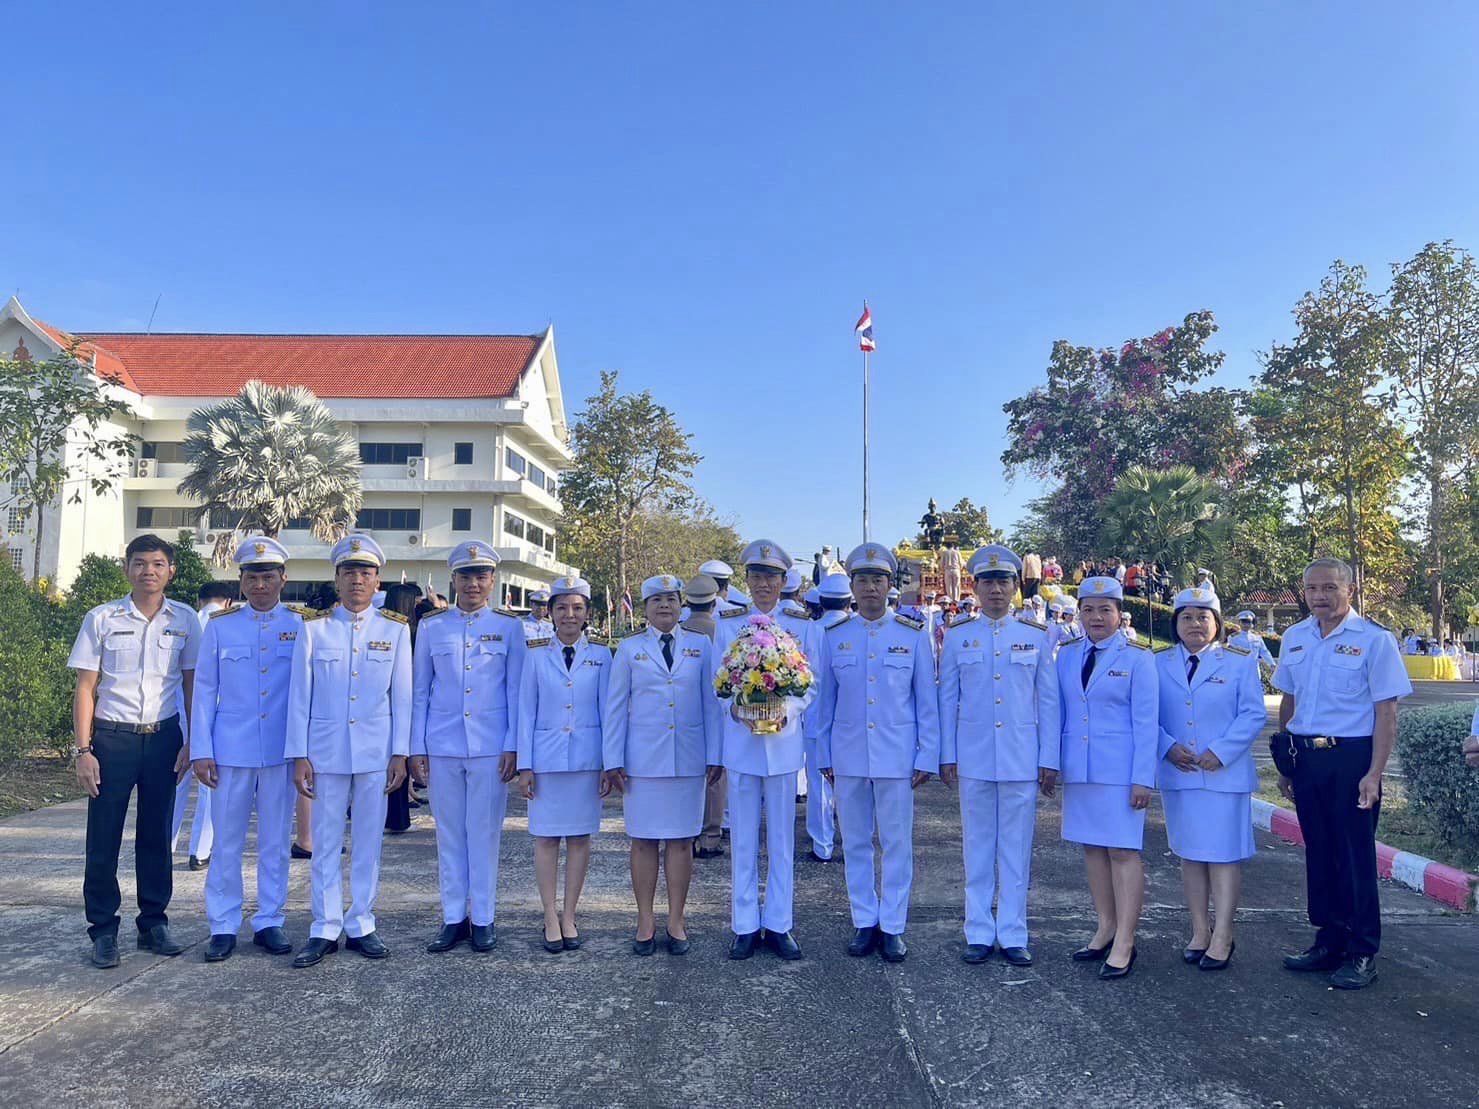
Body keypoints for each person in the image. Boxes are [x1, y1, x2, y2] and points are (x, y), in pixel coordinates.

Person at [1271, 557, 1412, 989]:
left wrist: (1375, 773)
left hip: (1352, 759)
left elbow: (1385, 713)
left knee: (1354, 856)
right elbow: (1288, 702)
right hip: (1308, 760)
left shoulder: (1374, 640)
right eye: (1312, 589)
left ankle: (1362, 950)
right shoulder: (1295, 638)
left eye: (1330, 588)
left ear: (1349, 589)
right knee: (1320, 852)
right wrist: (1287, 762)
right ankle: (1328, 940)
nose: (1320, 596)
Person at [69, 534, 201, 969]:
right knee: (103, 839)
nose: (149, 571)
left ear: (171, 570)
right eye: (141, 563)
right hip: (111, 740)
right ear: (126, 568)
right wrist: (82, 750)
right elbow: (86, 689)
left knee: (156, 835)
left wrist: (191, 741)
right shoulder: (102, 618)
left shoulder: (184, 621)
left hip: (163, 739)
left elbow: (191, 686)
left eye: (158, 564)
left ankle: (153, 924)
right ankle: (104, 931)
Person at [286, 535, 412, 968]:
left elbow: (403, 698)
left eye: (366, 572)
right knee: (323, 842)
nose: (358, 580)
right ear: (336, 579)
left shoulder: (395, 630)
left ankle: (361, 921)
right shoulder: (314, 629)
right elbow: (299, 697)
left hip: (376, 753)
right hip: (324, 752)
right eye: (349, 572)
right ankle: (324, 926)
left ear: (378, 581)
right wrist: (298, 754)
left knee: (368, 841)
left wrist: (401, 753)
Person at [813, 543, 937, 963]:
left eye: (877, 580)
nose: (870, 587)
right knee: (857, 841)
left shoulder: (912, 635)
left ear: (890, 585)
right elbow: (824, 703)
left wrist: (926, 755)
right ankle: (864, 919)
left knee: (897, 842)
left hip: (897, 754)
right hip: (847, 753)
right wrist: (823, 753)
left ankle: (893, 925)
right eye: (862, 580)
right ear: (851, 586)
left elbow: (926, 702)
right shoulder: (835, 636)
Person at [937, 544, 1058, 966]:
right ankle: (977, 931)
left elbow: (1048, 702)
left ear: (1015, 588)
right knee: (977, 847)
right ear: (975, 586)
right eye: (987, 582)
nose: (995, 590)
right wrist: (946, 755)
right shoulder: (957, 636)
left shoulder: (1035, 636)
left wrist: (1049, 759)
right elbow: (946, 700)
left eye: (1003, 582)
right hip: (973, 757)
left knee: (1016, 849)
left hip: (1021, 758)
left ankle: (1012, 932)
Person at [188, 538, 304, 963]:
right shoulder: (221, 627)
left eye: (268, 576)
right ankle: (222, 924)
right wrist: (201, 749)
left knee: (275, 841)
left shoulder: (301, 624)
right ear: (241, 580)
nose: (260, 584)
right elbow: (204, 692)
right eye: (252, 577)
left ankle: (269, 920)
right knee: (227, 842)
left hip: (280, 751)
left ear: (282, 579)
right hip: (230, 750)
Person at [407, 541, 524, 955]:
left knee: (485, 833)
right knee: (450, 834)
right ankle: (454, 916)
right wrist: (415, 747)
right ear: (452, 580)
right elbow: (421, 690)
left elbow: (516, 692)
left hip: (492, 746)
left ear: (493, 581)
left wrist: (514, 745)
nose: (473, 584)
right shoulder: (434, 626)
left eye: (481, 576)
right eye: (465, 576)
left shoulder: (511, 628)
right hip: (443, 743)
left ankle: (485, 918)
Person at [603, 574, 721, 956]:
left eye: (671, 600)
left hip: (687, 758)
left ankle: (676, 919)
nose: (665, 607)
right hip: (642, 761)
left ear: (681, 604)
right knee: (643, 842)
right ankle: (644, 919)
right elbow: (615, 708)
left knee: (681, 842)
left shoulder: (700, 646)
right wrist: (612, 760)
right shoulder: (629, 649)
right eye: (657, 601)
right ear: (646, 608)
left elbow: (711, 704)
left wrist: (715, 754)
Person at [711, 538, 818, 961]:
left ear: (783, 581)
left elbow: (812, 684)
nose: (763, 585)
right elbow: (716, 682)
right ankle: (743, 924)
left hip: (784, 745)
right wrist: (734, 707)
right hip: (741, 744)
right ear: (748, 580)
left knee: (781, 840)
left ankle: (779, 923)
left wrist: (787, 707)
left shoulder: (801, 624)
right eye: (756, 576)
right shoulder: (727, 624)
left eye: (771, 577)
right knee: (743, 839)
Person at [1050, 575, 1157, 980]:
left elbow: (1146, 723)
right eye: (1088, 609)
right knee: (1093, 850)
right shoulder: (1067, 654)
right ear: (1079, 614)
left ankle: (1126, 940)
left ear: (1119, 614)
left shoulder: (1138, 659)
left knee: (1122, 852)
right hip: (1080, 769)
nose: (1096, 617)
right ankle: (1105, 927)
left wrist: (1142, 778)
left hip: (1120, 773)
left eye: (1105, 609)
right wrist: (1053, 764)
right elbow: (1060, 711)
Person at [1155, 586, 1264, 971]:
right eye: (1187, 617)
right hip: (1180, 771)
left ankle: (1223, 934)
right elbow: (1145, 714)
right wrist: (1166, 745)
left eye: (1203, 617)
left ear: (1217, 624)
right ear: (1176, 623)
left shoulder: (1238, 662)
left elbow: (1253, 714)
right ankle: (1199, 930)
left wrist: (1221, 751)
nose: (1195, 624)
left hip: (1224, 775)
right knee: (1190, 855)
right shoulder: (1158, 663)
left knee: (1223, 856)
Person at [516, 574, 611, 953]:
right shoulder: (535, 653)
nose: (569, 615)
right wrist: (526, 765)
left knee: (579, 839)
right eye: (562, 608)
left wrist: (609, 763)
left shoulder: (602, 655)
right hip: (546, 760)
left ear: (587, 613)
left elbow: (609, 712)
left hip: (587, 759)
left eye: (577, 608)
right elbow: (526, 711)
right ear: (550, 613)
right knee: (546, 838)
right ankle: (548, 913)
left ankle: (570, 912)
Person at [172, 581, 235, 870]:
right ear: (229, 602)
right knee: (210, 784)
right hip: (216, 713)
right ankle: (199, 851)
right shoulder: (227, 625)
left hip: (179, 711)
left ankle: (165, 845)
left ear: (200, 601)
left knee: (176, 782)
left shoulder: (183, 620)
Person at [801, 573, 852, 863]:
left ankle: (822, 845)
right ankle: (853, 838)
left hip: (813, 716)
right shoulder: (852, 629)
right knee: (852, 782)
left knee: (817, 783)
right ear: (849, 600)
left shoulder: (811, 630)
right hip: (848, 719)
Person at [683, 575, 727, 859]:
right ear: (714, 602)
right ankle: (710, 835)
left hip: (683, 715)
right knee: (715, 776)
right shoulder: (724, 631)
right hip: (717, 713)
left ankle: (684, 831)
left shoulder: (678, 631)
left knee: (685, 777)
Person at [381, 582, 423, 835]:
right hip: (399, 702)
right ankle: (397, 816)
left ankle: (396, 815)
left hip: (401, 701)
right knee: (397, 762)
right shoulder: (403, 629)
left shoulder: (408, 628)